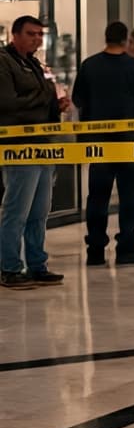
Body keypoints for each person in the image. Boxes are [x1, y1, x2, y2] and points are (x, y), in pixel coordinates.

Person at [71, 21, 134, 266]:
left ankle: (95, 250)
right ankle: (127, 246)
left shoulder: (89, 66)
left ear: (106, 38)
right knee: (130, 195)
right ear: (126, 40)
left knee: (98, 196)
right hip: (129, 143)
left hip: (98, 144)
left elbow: (78, 98)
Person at [0, 15, 68, 289]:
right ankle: (9, 267)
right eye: (31, 34)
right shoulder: (4, 62)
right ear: (15, 35)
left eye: (40, 34)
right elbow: (7, 104)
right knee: (17, 210)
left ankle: (37, 264)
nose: (37, 39)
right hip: (19, 147)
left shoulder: (35, 64)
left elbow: (37, 100)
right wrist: (46, 97)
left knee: (40, 211)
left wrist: (56, 105)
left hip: (43, 144)